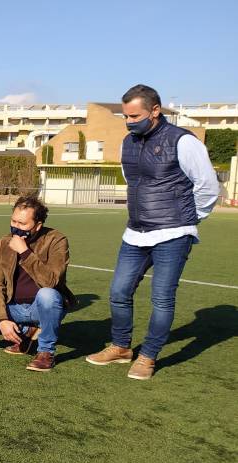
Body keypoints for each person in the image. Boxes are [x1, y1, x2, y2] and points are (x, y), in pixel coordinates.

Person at [86, 84, 220, 380]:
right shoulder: (127, 142)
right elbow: (133, 181)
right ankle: (121, 347)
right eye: (126, 116)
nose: (129, 121)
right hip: (135, 233)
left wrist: (186, 219)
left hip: (173, 234)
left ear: (155, 111)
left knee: (162, 298)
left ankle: (148, 356)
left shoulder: (184, 142)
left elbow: (208, 188)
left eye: (135, 115)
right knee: (119, 292)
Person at [0, 196, 77, 371]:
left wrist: (24, 252)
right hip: (14, 306)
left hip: (41, 307)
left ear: (37, 225)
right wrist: (1, 319)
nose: (16, 227)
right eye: (13, 221)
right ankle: (26, 331)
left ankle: (46, 352)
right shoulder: (4, 242)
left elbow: (51, 281)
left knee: (48, 295)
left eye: (22, 223)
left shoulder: (56, 240)